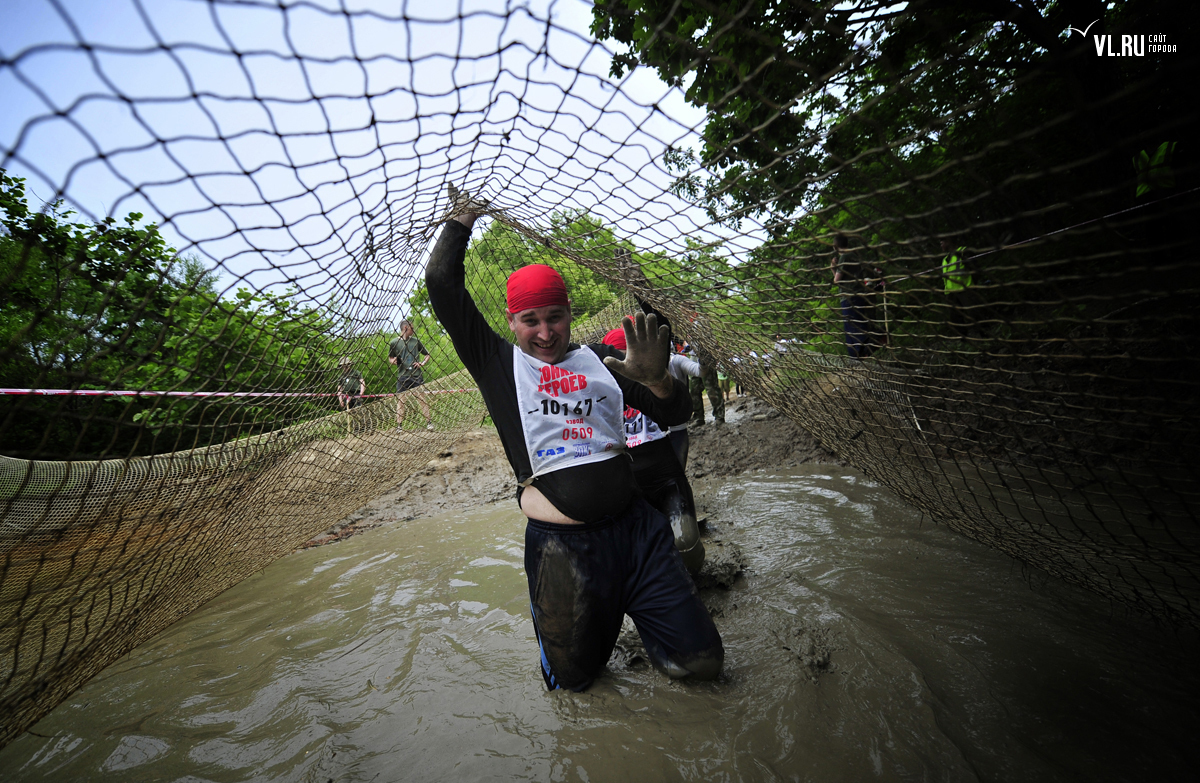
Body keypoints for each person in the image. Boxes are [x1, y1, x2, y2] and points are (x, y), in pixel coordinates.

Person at [425, 194, 723, 692]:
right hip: (562, 551)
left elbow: (675, 415)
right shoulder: (498, 364)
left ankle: (653, 625)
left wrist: (659, 381)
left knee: (703, 665)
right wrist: (462, 219)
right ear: (511, 322)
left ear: (569, 313)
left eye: (556, 317)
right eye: (531, 320)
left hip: (638, 534)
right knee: (574, 685)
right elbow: (441, 283)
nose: (545, 332)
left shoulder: (602, 360)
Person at [602, 326, 704, 574]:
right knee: (634, 557)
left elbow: (679, 422)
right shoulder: (599, 391)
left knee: (686, 542)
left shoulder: (657, 382)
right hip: (624, 482)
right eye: (620, 358)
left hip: (664, 472)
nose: (627, 366)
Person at [832, 234, 886, 360]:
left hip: (849, 296)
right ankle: (857, 356)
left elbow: (837, 280)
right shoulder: (854, 256)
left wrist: (833, 268)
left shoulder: (845, 257)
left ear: (835, 247)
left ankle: (876, 340)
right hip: (857, 295)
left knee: (854, 329)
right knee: (854, 328)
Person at [389, 319, 434, 430]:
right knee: (401, 401)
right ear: (405, 328)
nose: (413, 330)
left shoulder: (415, 341)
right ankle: (399, 426)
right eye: (412, 328)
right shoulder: (394, 343)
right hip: (402, 375)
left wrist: (422, 363)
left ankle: (429, 423)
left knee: (422, 399)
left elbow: (427, 354)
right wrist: (394, 361)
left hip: (416, 375)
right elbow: (390, 358)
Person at [940, 239, 974, 336]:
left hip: (965, 288)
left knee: (974, 313)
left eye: (942, 243)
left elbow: (974, 268)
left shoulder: (963, 252)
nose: (941, 245)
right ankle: (963, 338)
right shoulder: (945, 259)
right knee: (956, 318)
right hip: (950, 292)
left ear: (948, 241)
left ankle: (984, 334)